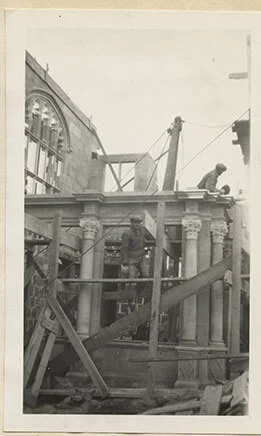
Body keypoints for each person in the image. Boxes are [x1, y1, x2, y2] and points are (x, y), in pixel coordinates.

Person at [119, 215, 149, 289]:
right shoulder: (127, 234)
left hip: (141, 257)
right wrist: (125, 263)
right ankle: (122, 284)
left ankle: (139, 289)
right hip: (131, 258)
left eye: (139, 223)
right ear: (131, 223)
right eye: (135, 222)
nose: (137, 224)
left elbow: (147, 238)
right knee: (131, 277)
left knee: (146, 275)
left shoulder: (142, 230)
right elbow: (124, 248)